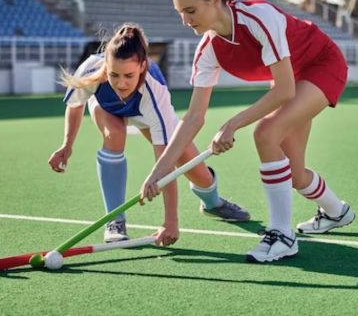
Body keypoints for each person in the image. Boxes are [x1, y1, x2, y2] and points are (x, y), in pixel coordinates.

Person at [141, 0, 355, 263]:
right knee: (294, 173)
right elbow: (192, 118)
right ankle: (337, 211)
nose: (185, 20)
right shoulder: (208, 50)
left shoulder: (259, 17)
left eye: (190, 11)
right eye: (180, 13)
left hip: (321, 64)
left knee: (265, 133)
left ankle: (282, 235)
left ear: (215, 0)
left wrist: (232, 124)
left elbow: (283, 91)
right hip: (291, 75)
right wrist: (158, 172)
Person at [48, 23, 250, 246]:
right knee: (114, 135)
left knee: (198, 173)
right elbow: (75, 105)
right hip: (108, 108)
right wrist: (67, 145)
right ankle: (115, 220)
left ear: (143, 67)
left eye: (129, 75)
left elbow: (166, 160)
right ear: (106, 64)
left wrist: (170, 221)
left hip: (146, 113)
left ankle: (213, 203)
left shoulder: (155, 91)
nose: (120, 83)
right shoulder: (91, 69)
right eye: (114, 74)